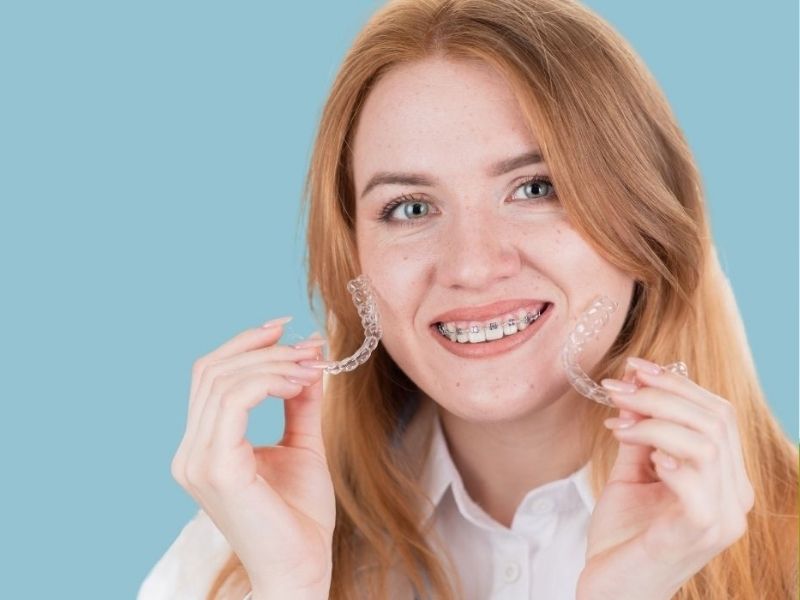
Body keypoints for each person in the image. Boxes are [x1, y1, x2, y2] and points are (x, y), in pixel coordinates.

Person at [137, 0, 799, 598]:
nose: (474, 265)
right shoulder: (240, 550)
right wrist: (290, 584)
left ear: (648, 217)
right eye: (411, 207)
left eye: (536, 189)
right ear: (353, 261)